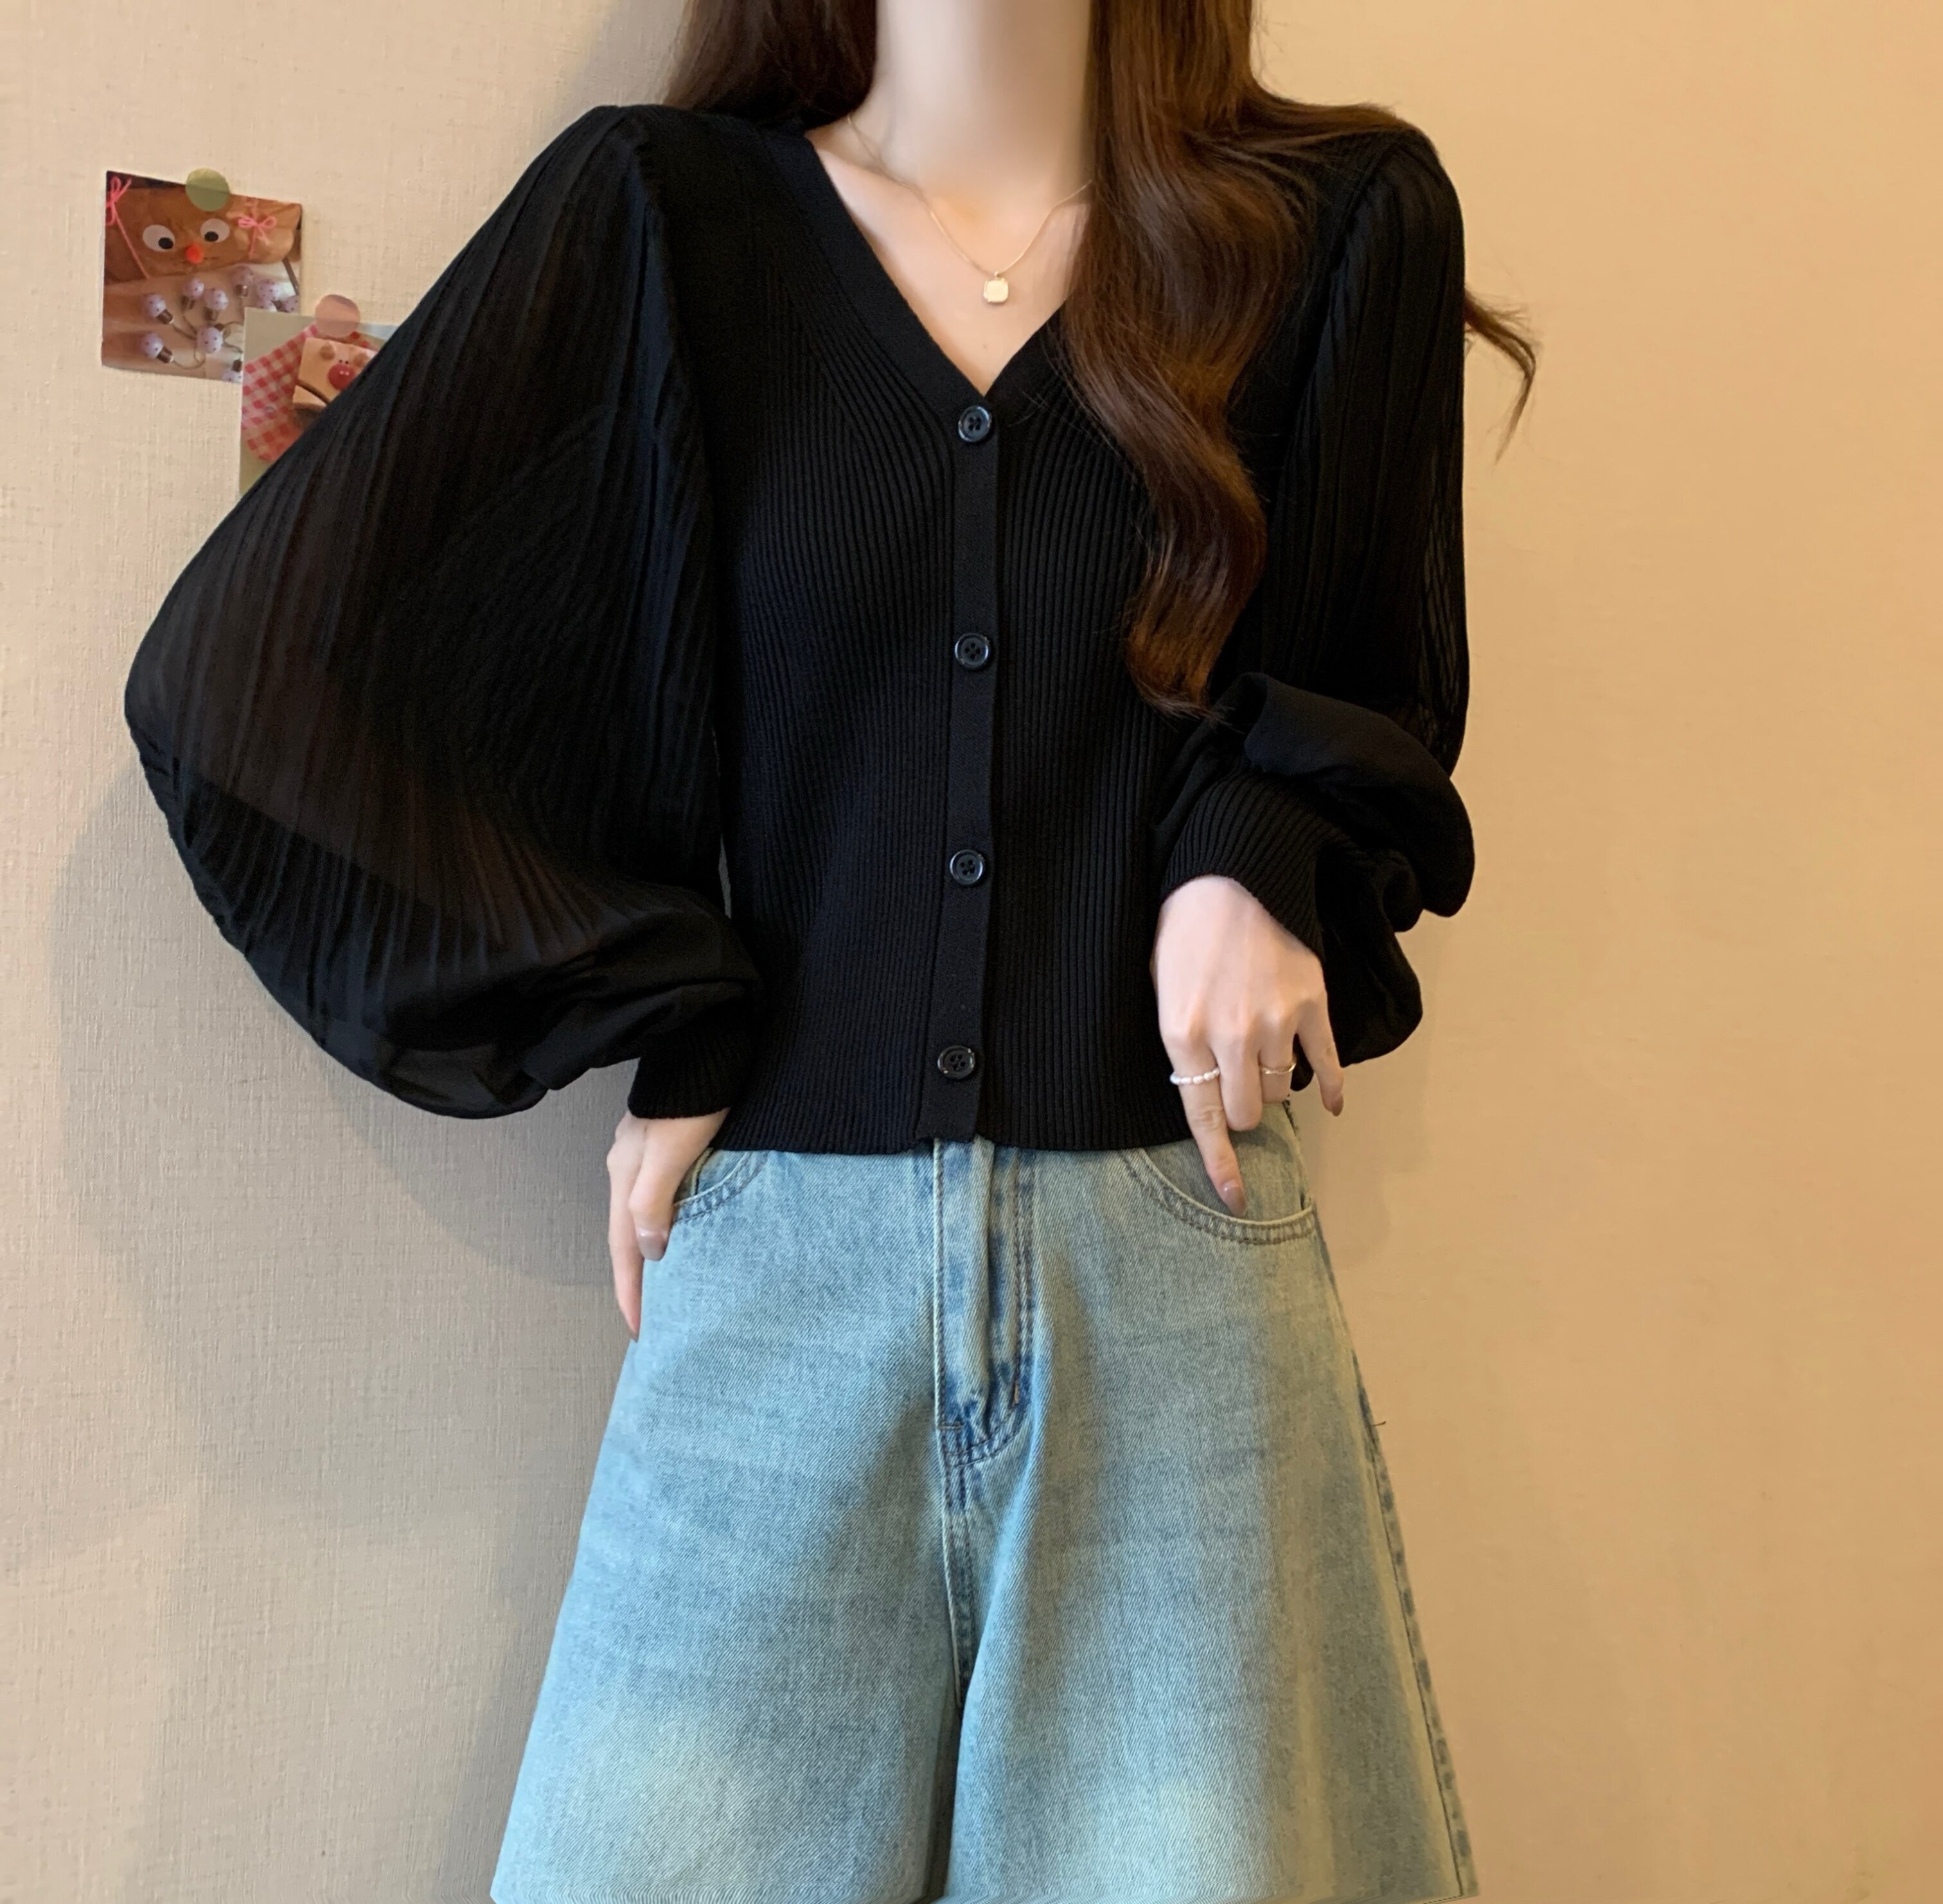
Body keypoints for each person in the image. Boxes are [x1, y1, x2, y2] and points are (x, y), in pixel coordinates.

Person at [123, 0, 1534, 1896]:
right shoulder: (666, 219)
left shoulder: (1330, 225)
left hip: (1175, 1272)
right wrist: (662, 998)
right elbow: (258, 682)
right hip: (780, 1264)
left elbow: (1366, 677)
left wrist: (1249, 860)